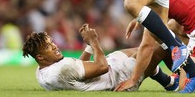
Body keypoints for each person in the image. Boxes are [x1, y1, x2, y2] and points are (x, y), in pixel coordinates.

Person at [22, 23, 180, 91]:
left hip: (112, 66)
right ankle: (187, 77)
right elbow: (102, 67)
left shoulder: (42, 71)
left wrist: (89, 46)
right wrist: (94, 40)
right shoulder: (61, 70)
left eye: (52, 42)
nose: (55, 46)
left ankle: (169, 82)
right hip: (118, 77)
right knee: (161, 42)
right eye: (49, 47)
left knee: (142, 50)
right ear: (40, 57)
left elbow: (78, 70)